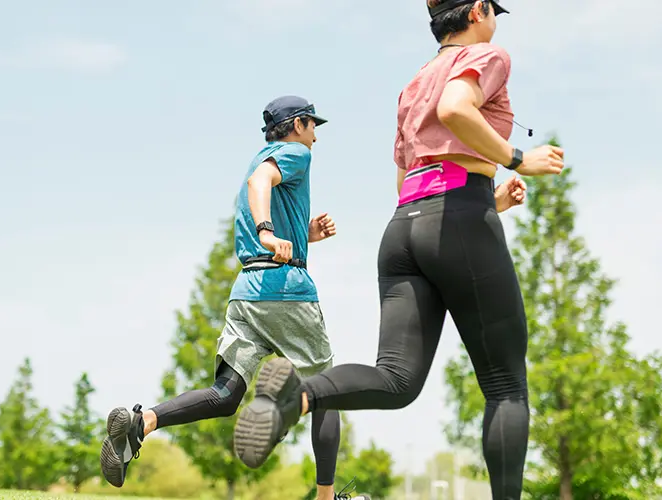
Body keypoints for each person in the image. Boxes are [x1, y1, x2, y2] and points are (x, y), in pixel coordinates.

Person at [232, 2, 564, 499]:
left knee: (396, 379)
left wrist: (487, 202)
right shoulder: (485, 54)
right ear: (477, 11)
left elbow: (411, 179)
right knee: (505, 387)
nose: (496, 20)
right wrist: (519, 159)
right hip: (458, 220)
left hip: (405, 228)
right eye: (494, 10)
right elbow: (456, 108)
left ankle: (293, 398)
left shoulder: (412, 85)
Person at [99, 95, 371, 500]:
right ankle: (326, 498)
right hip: (286, 290)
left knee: (226, 395)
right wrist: (266, 230)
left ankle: (144, 422)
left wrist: (303, 234)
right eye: (313, 125)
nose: (316, 136)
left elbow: (259, 188)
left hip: (247, 292)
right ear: (297, 125)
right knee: (326, 390)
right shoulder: (294, 153)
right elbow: (259, 184)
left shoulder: (259, 157)